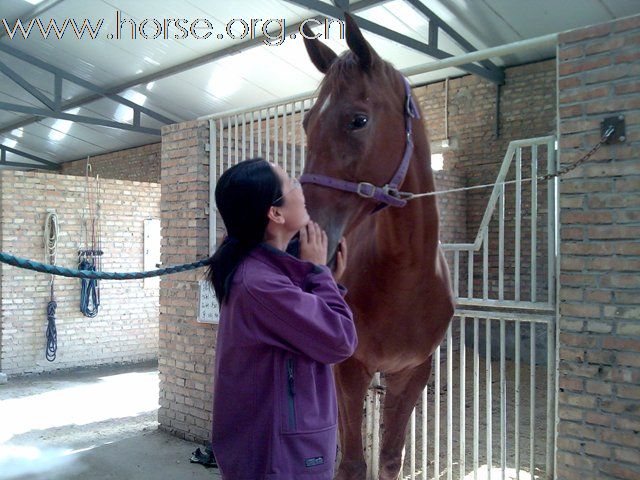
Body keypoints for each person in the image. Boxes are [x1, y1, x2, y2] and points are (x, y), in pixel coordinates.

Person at [207, 158, 357, 479]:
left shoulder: (258, 271)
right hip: (282, 455)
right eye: (291, 184)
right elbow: (340, 341)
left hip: (276, 443)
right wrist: (318, 272)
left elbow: (295, 325)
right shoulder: (260, 283)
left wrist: (320, 279)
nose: (301, 191)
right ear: (275, 214)